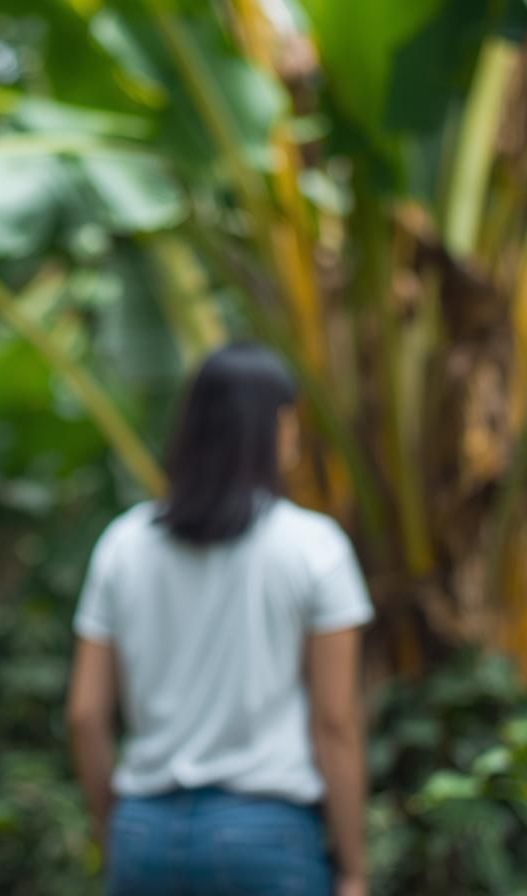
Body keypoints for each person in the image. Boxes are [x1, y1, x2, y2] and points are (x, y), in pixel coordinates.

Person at [66, 343, 373, 896]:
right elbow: (336, 723)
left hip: (144, 834)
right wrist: (352, 867)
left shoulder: (123, 544)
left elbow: (87, 714)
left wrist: (114, 830)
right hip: (267, 838)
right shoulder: (315, 548)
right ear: (275, 429)